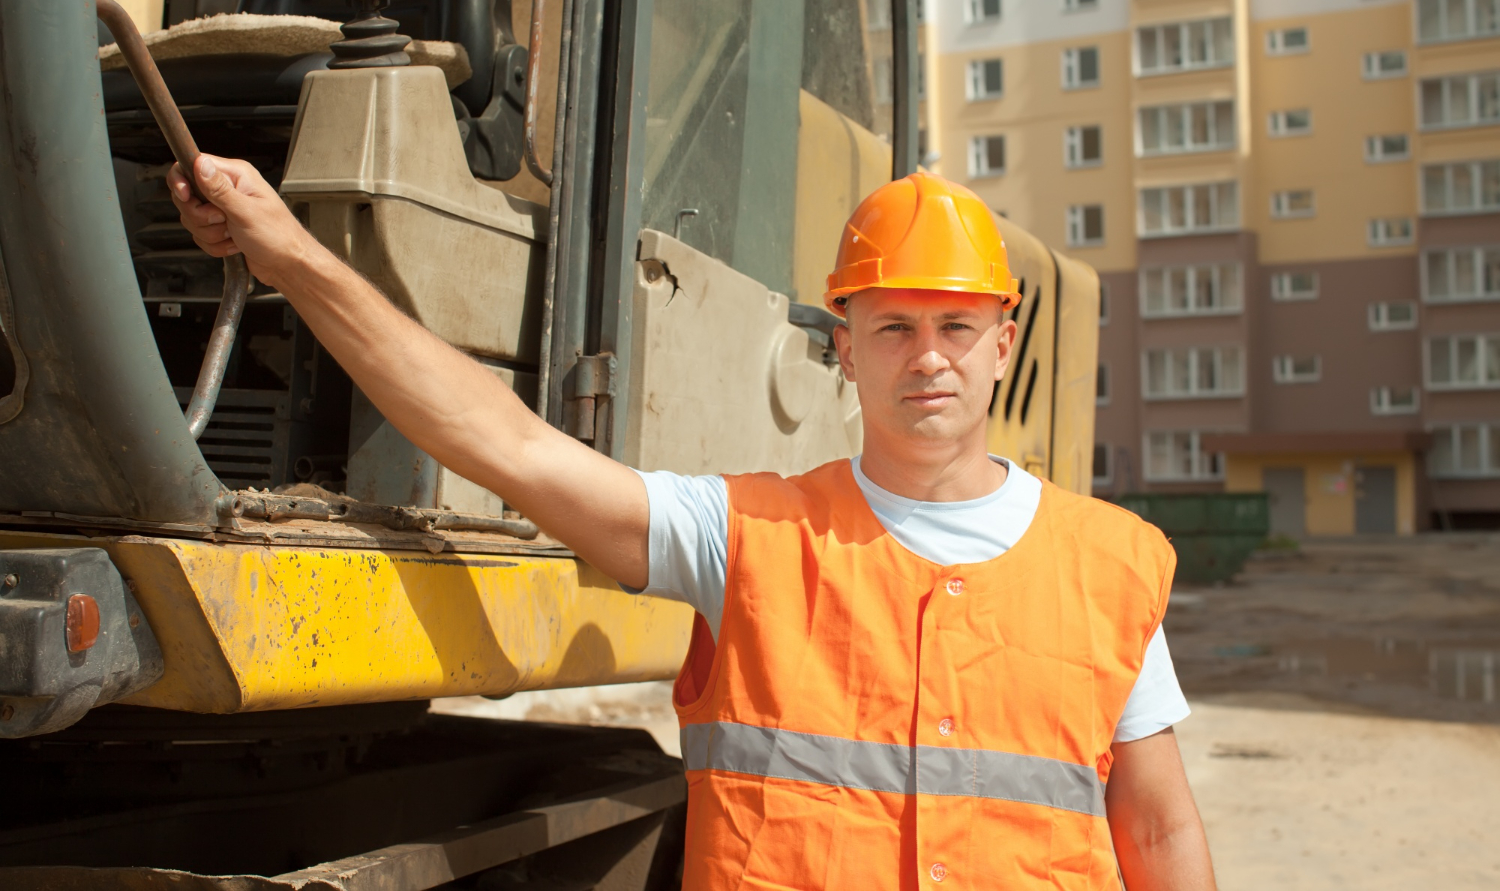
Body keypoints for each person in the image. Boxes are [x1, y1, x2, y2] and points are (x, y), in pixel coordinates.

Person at [170, 156, 1216, 890]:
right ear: (845, 348)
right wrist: (295, 258)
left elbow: (1159, 827)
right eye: (892, 327)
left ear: (1004, 340)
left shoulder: (1107, 564)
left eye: (955, 326)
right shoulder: (747, 537)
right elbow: (511, 445)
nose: (928, 357)